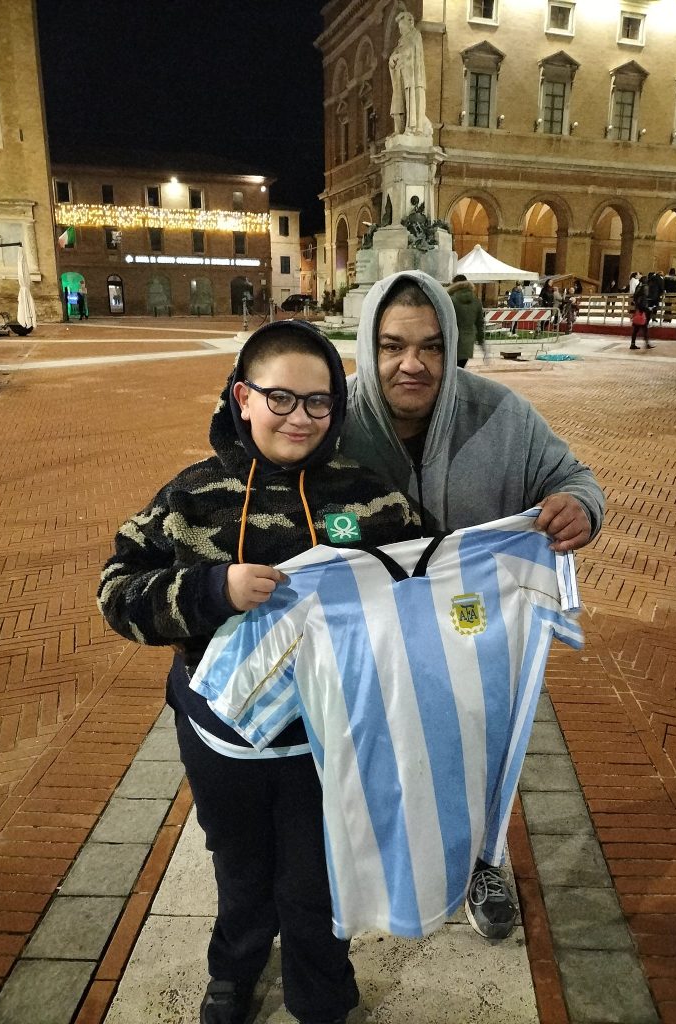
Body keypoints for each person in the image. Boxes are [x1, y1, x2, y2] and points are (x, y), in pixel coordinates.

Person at [97, 321, 420, 1024]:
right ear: (242, 397)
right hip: (220, 740)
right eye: (280, 397)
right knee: (241, 869)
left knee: (316, 875)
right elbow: (116, 594)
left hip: (326, 739)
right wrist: (214, 591)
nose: (299, 417)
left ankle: (322, 989)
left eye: (318, 402)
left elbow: (428, 587)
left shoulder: (373, 499)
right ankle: (233, 971)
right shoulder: (189, 499)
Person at [338, 270, 605, 943]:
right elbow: (257, 457)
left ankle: (484, 860)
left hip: (472, 635)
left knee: (481, 753)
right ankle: (364, 865)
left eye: (430, 347)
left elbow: (571, 477)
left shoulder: (501, 415)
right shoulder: (331, 422)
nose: (412, 364)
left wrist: (582, 508)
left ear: (451, 347)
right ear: (367, 345)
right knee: (371, 753)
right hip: (369, 642)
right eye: (393, 345)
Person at [388, 6, 430, 136]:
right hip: (403, 76)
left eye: (402, 27)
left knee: (412, 100)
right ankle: (401, 129)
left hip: (413, 77)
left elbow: (410, 51)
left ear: (409, 23)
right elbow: (396, 53)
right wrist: (392, 59)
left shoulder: (415, 35)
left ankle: (411, 128)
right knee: (400, 101)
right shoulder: (401, 40)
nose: (400, 30)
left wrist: (399, 56)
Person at [447, 273, 484, 368]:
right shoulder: (476, 301)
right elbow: (480, 323)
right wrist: (481, 340)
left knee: (449, 373)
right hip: (467, 344)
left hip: (451, 343)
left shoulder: (450, 300)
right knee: (460, 370)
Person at [630, 277, 654, 350]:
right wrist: (648, 309)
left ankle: (633, 344)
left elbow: (636, 302)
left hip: (637, 313)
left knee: (636, 330)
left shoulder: (638, 292)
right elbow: (642, 306)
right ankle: (647, 344)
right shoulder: (643, 296)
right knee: (644, 328)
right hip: (641, 314)